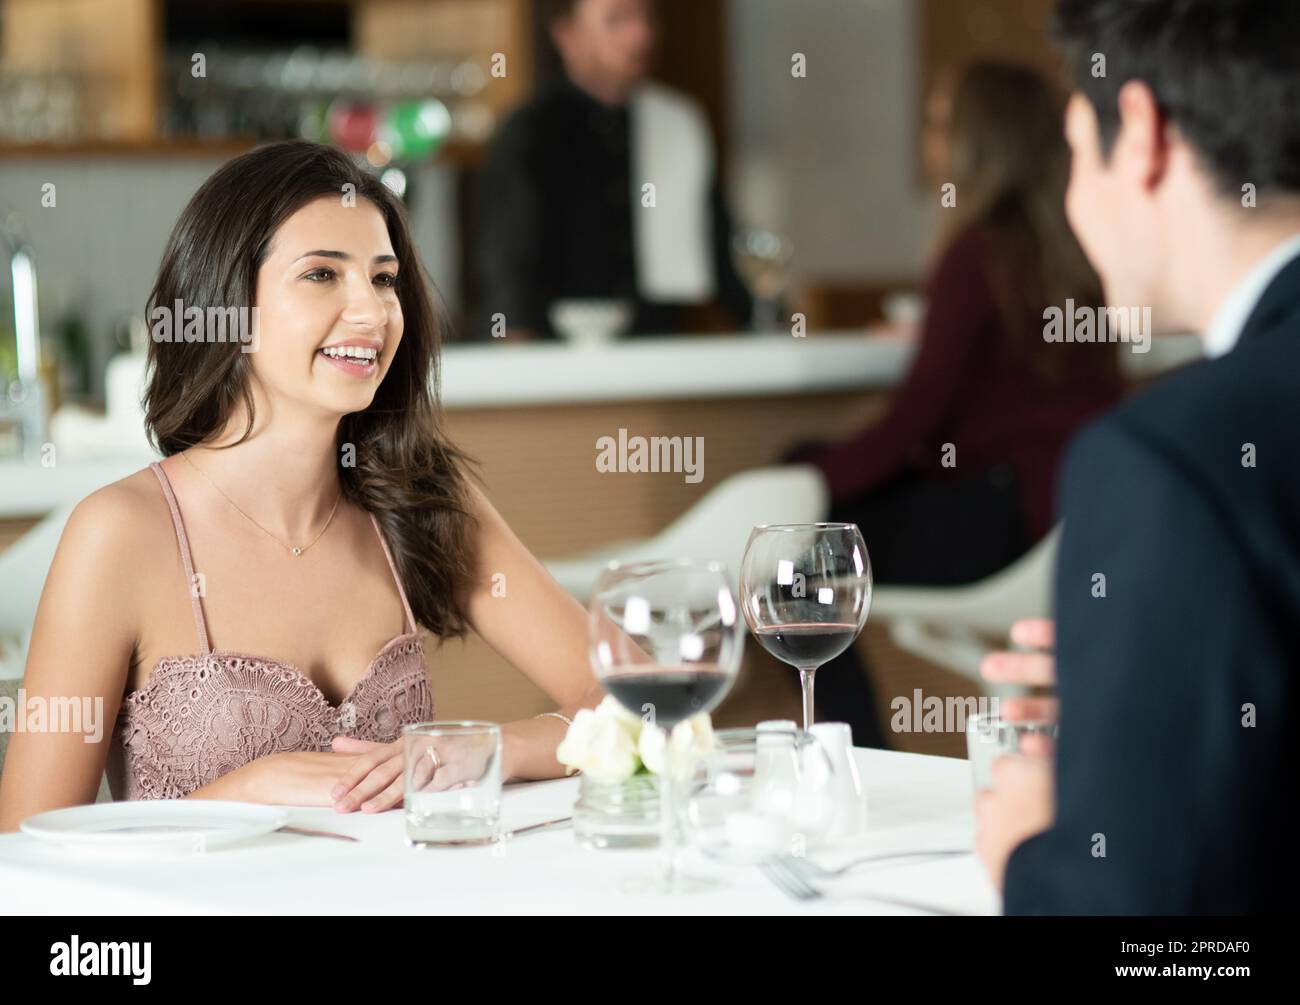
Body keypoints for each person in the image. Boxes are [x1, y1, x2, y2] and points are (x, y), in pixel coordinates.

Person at [0, 141, 605, 829]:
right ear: (226, 305)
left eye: (384, 279)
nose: (372, 313)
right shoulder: (121, 533)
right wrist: (250, 788)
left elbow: (636, 700)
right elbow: (25, 847)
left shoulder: (418, 496)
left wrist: (485, 748)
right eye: (322, 274)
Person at [976, 0, 1300, 914]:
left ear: (1144, 134)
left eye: (1077, 150)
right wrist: (1148, 701)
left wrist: (1033, 852)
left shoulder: (1167, 458)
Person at [792, 63, 1122, 748]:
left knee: (802, 560)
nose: (929, 139)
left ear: (978, 143)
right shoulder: (1078, 253)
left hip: (993, 524)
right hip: (1066, 521)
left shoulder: (977, 255)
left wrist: (803, 479)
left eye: (942, 124)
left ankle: (853, 759)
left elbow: (913, 427)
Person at [476, 0, 752, 340]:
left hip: (659, 346)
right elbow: (509, 261)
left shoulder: (678, 123)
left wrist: (767, 325)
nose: (641, 35)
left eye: (647, 17)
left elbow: (719, 248)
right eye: (617, 19)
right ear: (567, 35)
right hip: (558, 354)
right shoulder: (531, 130)